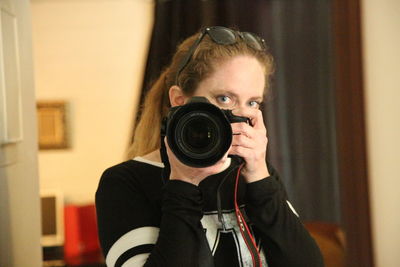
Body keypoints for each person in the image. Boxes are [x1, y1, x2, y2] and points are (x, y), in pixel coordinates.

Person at [96, 26, 324, 267]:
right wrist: (183, 183)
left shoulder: (254, 176)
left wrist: (260, 177)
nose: (239, 115)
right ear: (179, 100)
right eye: (224, 98)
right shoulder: (124, 182)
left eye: (252, 102)